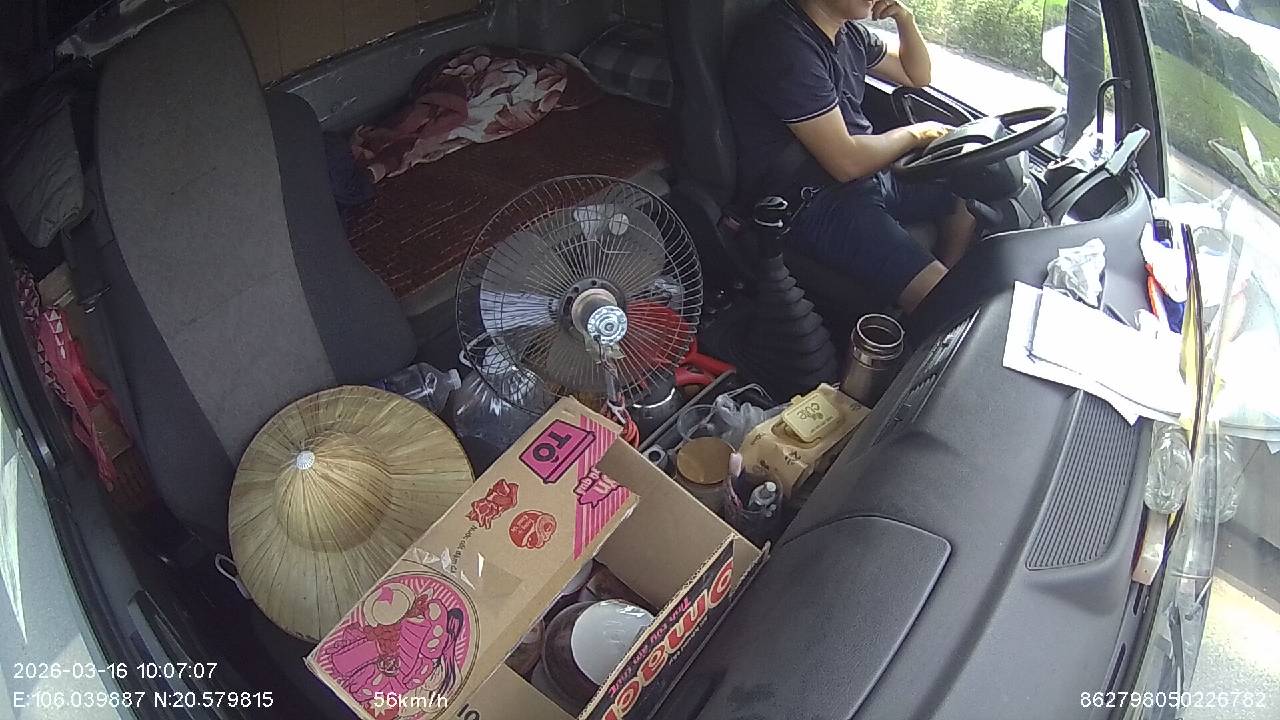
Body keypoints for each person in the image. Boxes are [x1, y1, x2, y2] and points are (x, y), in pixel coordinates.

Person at [727, 0, 977, 312]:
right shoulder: (782, 44)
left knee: (967, 183)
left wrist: (905, 18)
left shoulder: (849, 34)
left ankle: (937, 292)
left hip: (866, 178)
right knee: (948, 304)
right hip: (812, 199)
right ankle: (935, 304)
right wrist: (916, 134)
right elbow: (846, 162)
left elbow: (917, 75)